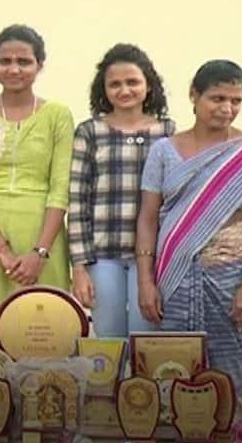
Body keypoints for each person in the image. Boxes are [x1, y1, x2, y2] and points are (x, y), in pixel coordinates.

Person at [135, 60, 242, 440]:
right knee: (175, 373)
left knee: (234, 375)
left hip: (233, 280)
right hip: (174, 280)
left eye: (236, 100)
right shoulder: (164, 151)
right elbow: (148, 219)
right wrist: (146, 283)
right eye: (217, 98)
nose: (227, 108)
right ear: (194, 96)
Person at [0, 24, 73, 348]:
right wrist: (2, 251)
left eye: (24, 61)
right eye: (5, 61)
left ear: (39, 66)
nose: (14, 69)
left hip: (43, 235)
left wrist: (39, 252)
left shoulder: (58, 115)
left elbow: (60, 187)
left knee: (44, 331)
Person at [68, 43, 175, 337]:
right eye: (114, 84)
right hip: (103, 254)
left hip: (153, 256)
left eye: (132, 82)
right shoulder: (90, 132)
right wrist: (79, 266)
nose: (124, 90)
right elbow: (77, 200)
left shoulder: (168, 133)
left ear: (148, 85)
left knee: (146, 336)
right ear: (103, 90)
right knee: (109, 341)